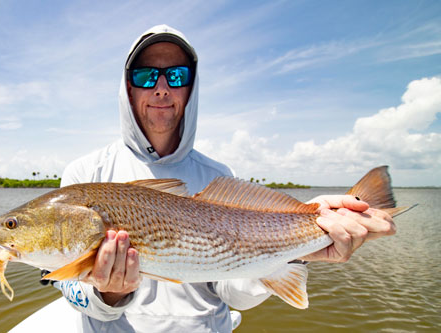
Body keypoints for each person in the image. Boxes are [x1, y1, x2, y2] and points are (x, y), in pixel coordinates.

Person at [57, 25, 395, 332]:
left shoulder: (219, 177)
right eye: (147, 76)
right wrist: (107, 293)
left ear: (192, 88)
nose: (161, 88)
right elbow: (69, 290)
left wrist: (295, 249)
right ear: (128, 88)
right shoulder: (85, 175)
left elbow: (234, 291)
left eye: (176, 75)